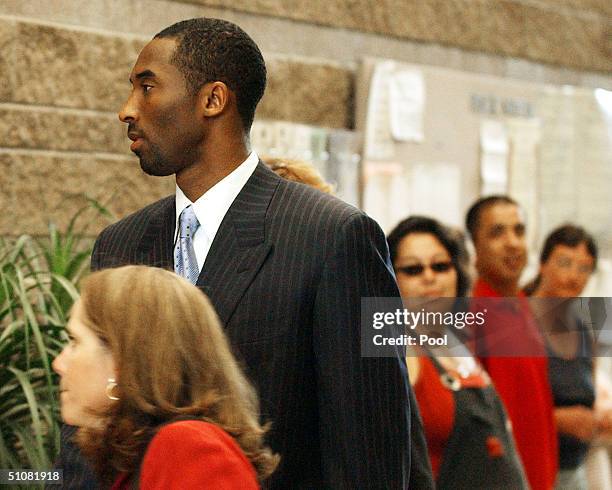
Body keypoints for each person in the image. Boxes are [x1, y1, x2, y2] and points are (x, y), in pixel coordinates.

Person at [55, 17, 418, 489]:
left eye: (147, 88)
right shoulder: (122, 243)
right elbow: (89, 431)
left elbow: (371, 452)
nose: (127, 110)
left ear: (213, 100)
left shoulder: (338, 236)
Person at [52, 265, 278, 488]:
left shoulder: (188, 449)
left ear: (122, 361)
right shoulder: (141, 457)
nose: (58, 363)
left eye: (75, 341)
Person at [387, 216, 527, 489]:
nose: (429, 277)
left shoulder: (456, 343)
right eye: (413, 269)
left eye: (440, 266)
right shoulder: (399, 349)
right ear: (391, 278)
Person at [466, 195, 558, 490]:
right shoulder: (472, 315)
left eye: (518, 231)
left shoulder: (521, 305)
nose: (512, 243)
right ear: (475, 248)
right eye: (497, 233)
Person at [527, 224, 612, 489]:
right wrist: (557, 420)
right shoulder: (517, 322)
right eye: (565, 263)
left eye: (584, 268)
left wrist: (598, 418)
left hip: (573, 471)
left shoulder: (585, 332)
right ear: (542, 264)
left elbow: (589, 392)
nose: (574, 276)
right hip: (530, 467)